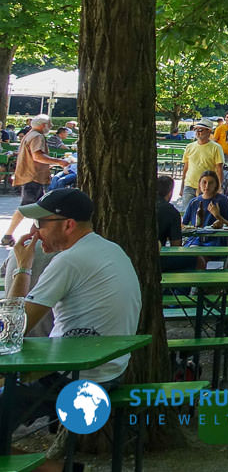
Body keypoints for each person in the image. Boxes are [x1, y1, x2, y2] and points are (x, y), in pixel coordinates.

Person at [7, 188, 140, 437]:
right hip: (111, 371)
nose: (34, 232)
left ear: (68, 225)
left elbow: (13, 330)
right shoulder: (111, 249)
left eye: (41, 223)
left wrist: (23, 266)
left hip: (74, 380)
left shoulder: (69, 260)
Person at [4, 114, 66, 244]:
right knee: (26, 208)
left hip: (30, 176)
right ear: (43, 125)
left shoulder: (29, 134)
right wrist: (59, 162)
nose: (51, 127)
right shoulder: (37, 136)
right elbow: (37, 156)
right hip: (33, 176)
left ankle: (37, 236)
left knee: (40, 209)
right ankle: (8, 235)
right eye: (49, 124)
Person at [178, 120, 225, 213]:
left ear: (208, 131)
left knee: (204, 214)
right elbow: (186, 168)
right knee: (186, 213)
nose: (197, 132)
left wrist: (219, 187)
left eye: (200, 130)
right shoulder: (189, 147)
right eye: (196, 129)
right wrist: (182, 186)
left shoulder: (216, 148)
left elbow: (219, 169)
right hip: (190, 185)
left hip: (207, 187)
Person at [156, 174, 184, 273]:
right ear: (170, 192)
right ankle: (183, 288)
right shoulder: (172, 212)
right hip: (157, 260)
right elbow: (176, 246)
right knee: (199, 260)